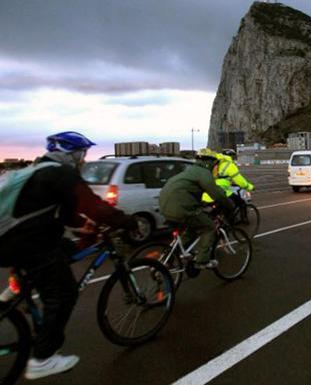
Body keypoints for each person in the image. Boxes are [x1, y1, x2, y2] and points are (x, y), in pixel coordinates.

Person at [0, 131, 138, 380]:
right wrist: (128, 222)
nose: (83, 160)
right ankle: (43, 359)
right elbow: (95, 206)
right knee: (64, 293)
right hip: (25, 243)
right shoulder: (61, 174)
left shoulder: (38, 170)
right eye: (81, 154)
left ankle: (16, 288)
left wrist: (81, 224)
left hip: (16, 240)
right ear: (70, 153)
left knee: (63, 250)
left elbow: (58, 211)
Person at [159, 150, 234, 268]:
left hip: (165, 204)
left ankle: (169, 256)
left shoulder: (190, 170)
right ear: (209, 163)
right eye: (215, 165)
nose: (216, 168)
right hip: (181, 207)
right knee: (209, 227)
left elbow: (189, 192)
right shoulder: (204, 173)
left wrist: (202, 204)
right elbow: (217, 194)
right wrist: (230, 205)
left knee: (193, 227)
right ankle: (202, 261)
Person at [198, 148, 254, 214]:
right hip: (223, 190)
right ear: (230, 156)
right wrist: (250, 187)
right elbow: (240, 180)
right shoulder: (229, 165)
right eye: (233, 156)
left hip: (207, 190)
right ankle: (243, 220)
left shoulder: (213, 163)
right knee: (240, 202)